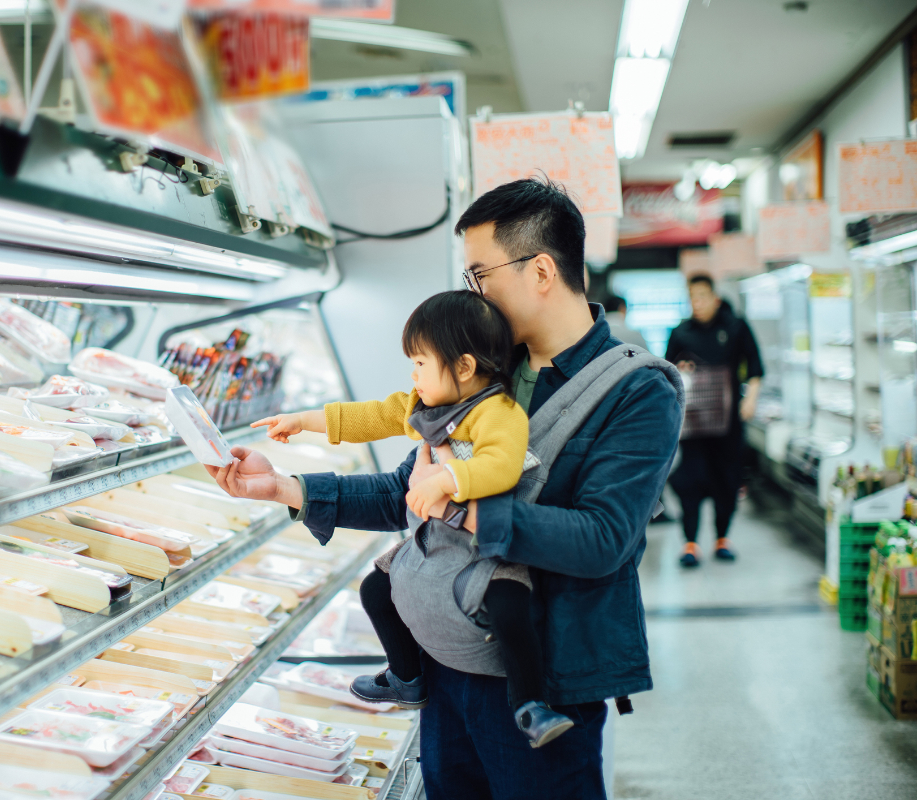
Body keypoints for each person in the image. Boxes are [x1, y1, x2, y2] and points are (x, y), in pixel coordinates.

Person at [206, 178, 682, 800]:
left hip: (542, 679)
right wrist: (284, 488)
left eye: (480, 275)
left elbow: (603, 541)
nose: (473, 293)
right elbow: (403, 491)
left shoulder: (637, 391)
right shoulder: (484, 370)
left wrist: (461, 502)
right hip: (446, 658)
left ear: (541, 270)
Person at [253, 290, 575, 748]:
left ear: (463, 367)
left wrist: (445, 481)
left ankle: (530, 704)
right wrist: (303, 420)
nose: (413, 374)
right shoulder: (426, 408)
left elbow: (500, 466)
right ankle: (406, 677)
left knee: (509, 604)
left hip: (488, 547)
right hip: (437, 546)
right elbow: (374, 416)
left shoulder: (498, 413)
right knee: (375, 589)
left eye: (421, 363)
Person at [665, 274, 763, 567]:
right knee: (690, 480)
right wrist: (680, 369)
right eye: (692, 298)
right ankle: (691, 543)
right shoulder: (681, 332)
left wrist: (751, 399)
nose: (697, 304)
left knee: (727, 479)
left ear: (714, 297)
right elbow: (668, 373)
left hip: (729, 424)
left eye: (702, 297)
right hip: (694, 425)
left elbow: (756, 366)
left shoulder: (736, 326)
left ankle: (722, 538)